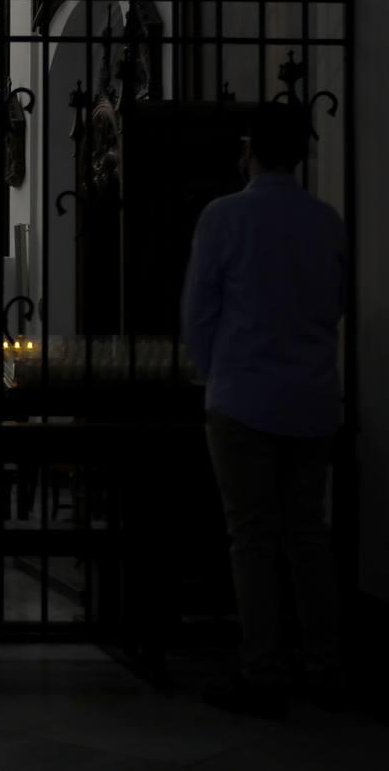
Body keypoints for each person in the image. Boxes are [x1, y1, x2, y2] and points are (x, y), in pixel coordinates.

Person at [181, 101, 347, 720]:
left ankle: (263, 669)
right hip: (311, 396)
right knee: (308, 535)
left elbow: (199, 312)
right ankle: (326, 666)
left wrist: (212, 372)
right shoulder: (325, 220)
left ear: (248, 149)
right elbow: (334, 304)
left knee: (251, 538)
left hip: (243, 397)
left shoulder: (225, 217)